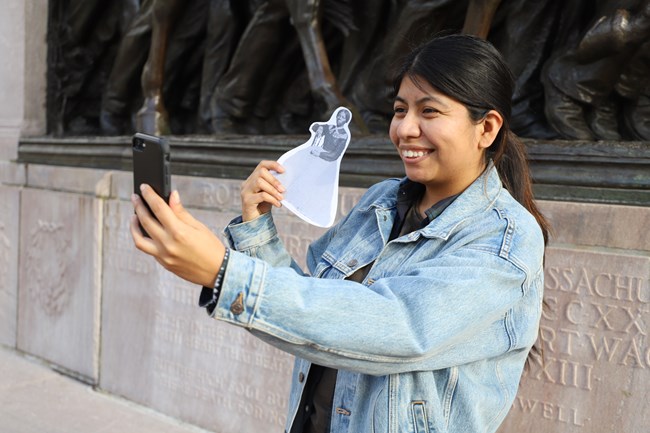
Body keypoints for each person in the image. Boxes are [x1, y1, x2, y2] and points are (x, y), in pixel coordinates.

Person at [131, 33, 549, 433]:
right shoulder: (381, 202)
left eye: (430, 111)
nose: (405, 129)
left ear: (487, 128)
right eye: (400, 109)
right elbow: (318, 310)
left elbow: (396, 328)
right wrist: (257, 231)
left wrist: (222, 272)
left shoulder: (503, 241)